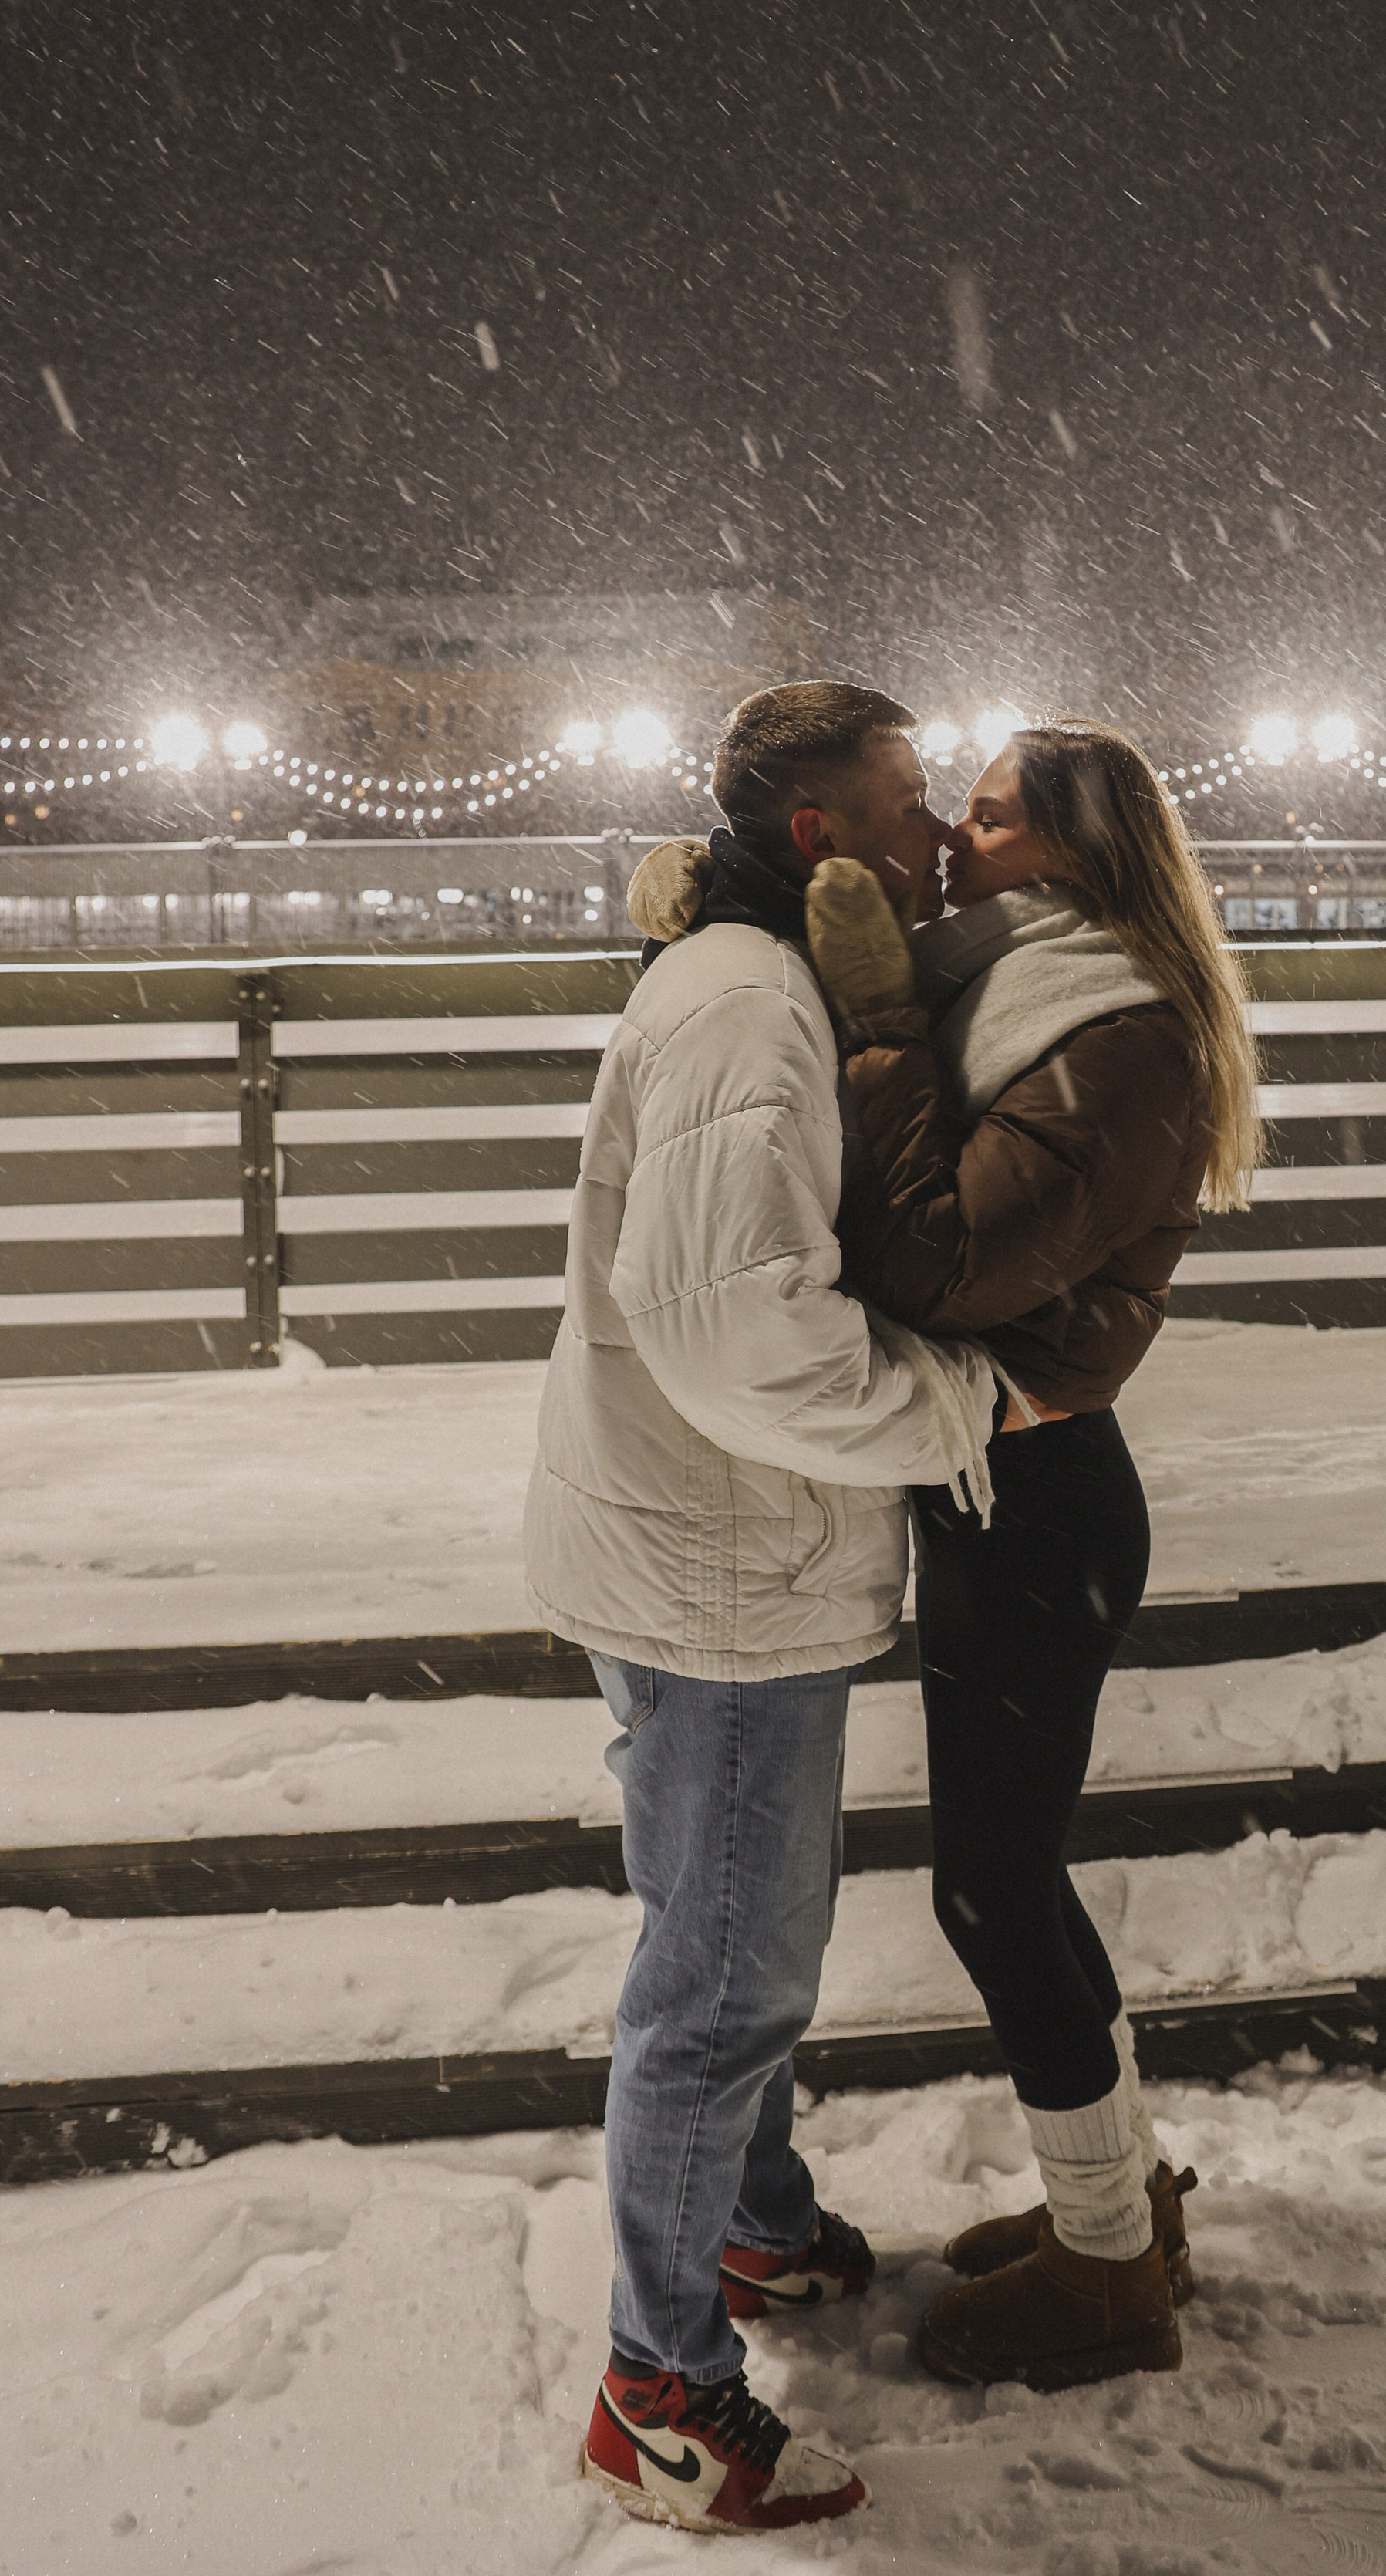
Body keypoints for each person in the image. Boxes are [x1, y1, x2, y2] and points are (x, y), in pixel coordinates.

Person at [524, 682, 1001, 2534]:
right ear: (817, 840)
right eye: (903, 805)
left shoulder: (745, 975)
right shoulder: (747, 1008)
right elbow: (736, 1335)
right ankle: (662, 2399)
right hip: (722, 1564)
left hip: (685, 1540)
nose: (934, 836)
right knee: (720, 1982)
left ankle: (752, 2226)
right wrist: (957, 1402)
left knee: (710, 1938)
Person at [801, 717, 1261, 2394]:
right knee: (1011, 1877)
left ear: (1065, 855)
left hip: (1040, 1504)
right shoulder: (1012, 989)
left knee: (992, 1889)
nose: (948, 839)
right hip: (1008, 1491)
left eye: (984, 820)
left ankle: (1104, 2274)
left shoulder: (1110, 1034)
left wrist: (869, 1028)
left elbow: (934, 1262)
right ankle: (1117, 2199)